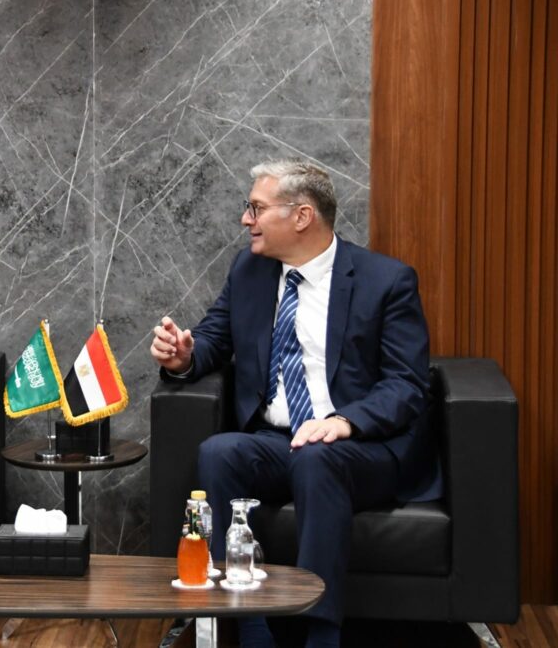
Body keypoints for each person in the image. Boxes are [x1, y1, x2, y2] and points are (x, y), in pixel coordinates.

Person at [150, 160, 440, 648]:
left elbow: (407, 384)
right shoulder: (249, 271)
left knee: (317, 458)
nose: (246, 219)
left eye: (256, 208)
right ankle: (248, 627)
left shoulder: (385, 281)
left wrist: (346, 420)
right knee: (218, 453)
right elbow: (214, 339)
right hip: (278, 441)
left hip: (361, 449)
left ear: (302, 216)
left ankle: (320, 633)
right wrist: (184, 356)